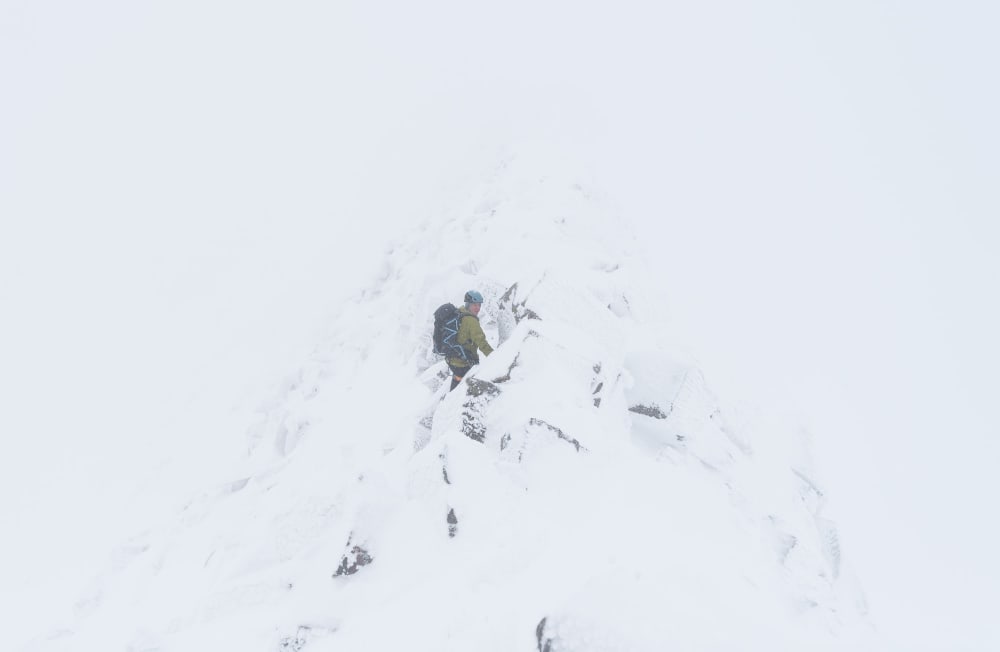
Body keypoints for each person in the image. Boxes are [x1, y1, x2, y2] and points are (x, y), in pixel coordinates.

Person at [446, 290, 494, 390]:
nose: (478, 308)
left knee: (456, 386)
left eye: (479, 305)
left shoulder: (459, 312)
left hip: (453, 359)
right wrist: (495, 357)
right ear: (468, 304)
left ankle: (448, 401)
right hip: (464, 363)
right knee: (464, 391)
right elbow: (482, 342)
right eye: (474, 305)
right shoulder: (471, 320)